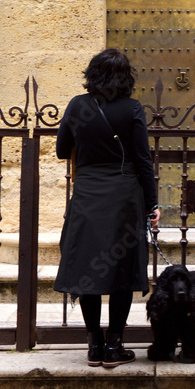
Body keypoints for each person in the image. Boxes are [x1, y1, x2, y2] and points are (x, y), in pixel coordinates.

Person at [54, 48, 160, 368]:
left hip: (87, 196)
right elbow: (143, 160)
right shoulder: (132, 109)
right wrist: (152, 204)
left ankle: (94, 346)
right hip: (124, 199)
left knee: (88, 270)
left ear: (92, 74)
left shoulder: (77, 105)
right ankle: (115, 347)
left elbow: (61, 151)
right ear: (125, 77)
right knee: (122, 273)